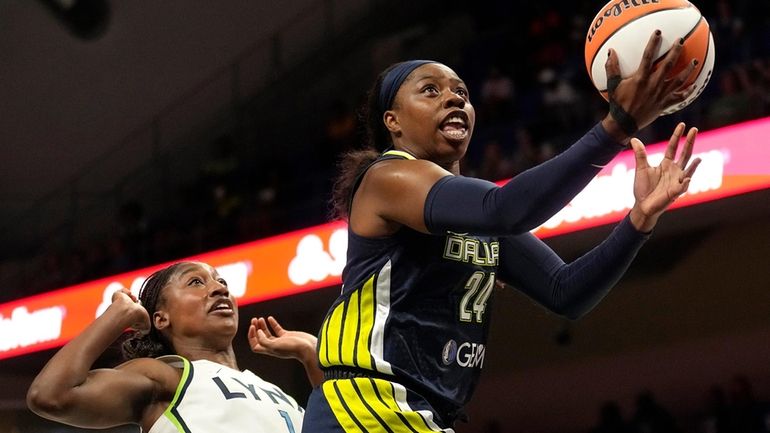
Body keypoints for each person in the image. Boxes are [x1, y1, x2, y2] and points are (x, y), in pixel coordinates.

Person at [302, 30, 701, 432]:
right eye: (430, 91)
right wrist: (615, 127)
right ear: (394, 122)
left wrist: (640, 220)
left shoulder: (475, 218)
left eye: (461, 91)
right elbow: (508, 209)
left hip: (419, 411)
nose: (455, 98)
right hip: (367, 403)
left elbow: (566, 292)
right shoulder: (386, 176)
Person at [27, 261, 322, 433]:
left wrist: (312, 356)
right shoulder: (168, 376)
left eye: (221, 281)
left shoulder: (279, 395)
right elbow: (51, 395)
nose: (220, 288)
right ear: (161, 318)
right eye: (195, 282)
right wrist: (117, 316)